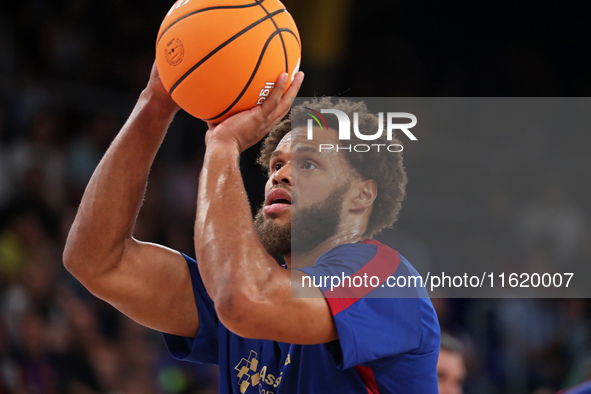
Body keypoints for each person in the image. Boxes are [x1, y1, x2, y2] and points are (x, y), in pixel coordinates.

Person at [63, 63, 440, 393]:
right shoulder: (250, 281)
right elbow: (96, 260)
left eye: (308, 165)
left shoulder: (386, 279)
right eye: (275, 165)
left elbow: (244, 301)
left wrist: (223, 145)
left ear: (362, 195)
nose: (282, 176)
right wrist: (156, 104)